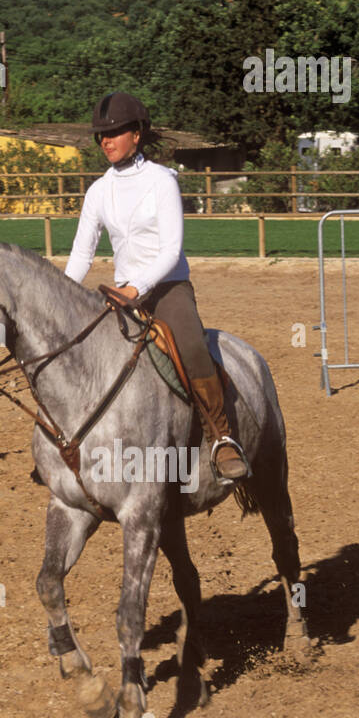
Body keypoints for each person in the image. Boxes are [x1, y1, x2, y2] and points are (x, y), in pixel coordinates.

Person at [64, 91, 249, 481]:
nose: (106, 141)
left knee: (192, 343)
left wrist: (136, 288)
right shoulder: (98, 191)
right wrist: (60, 296)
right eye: (101, 135)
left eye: (114, 132)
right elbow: (82, 254)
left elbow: (171, 250)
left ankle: (221, 435)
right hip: (120, 294)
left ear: (137, 134)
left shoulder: (163, 181)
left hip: (167, 288)